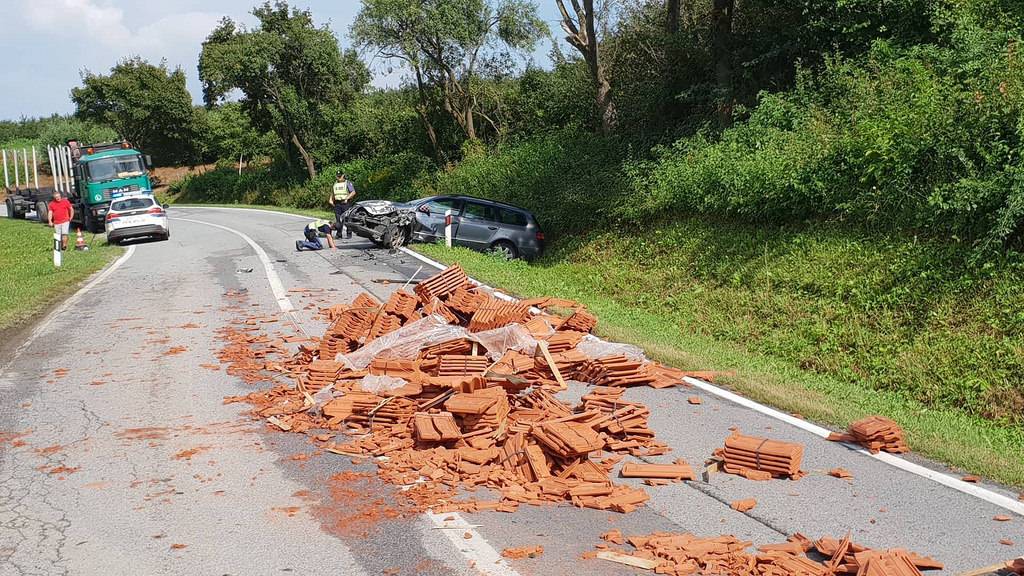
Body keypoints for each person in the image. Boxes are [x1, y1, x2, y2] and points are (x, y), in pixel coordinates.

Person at [329, 172, 356, 238]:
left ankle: (349, 234)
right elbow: (333, 193)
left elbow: (353, 192)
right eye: (337, 176)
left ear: (343, 176)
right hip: (337, 203)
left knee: (347, 219)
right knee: (338, 219)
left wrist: (347, 198)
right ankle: (339, 234)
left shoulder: (347, 183)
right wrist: (330, 199)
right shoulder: (335, 184)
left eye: (340, 176)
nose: (338, 177)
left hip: (345, 203)